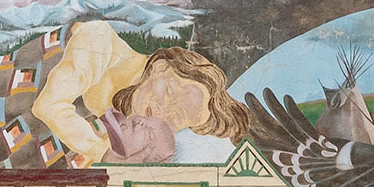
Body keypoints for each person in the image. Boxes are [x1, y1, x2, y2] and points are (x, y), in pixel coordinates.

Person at [33, 29, 251, 167]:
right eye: (169, 93)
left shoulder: (125, 121)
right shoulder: (100, 41)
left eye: (174, 119)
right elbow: (46, 105)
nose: (161, 111)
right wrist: (103, 154)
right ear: (160, 66)